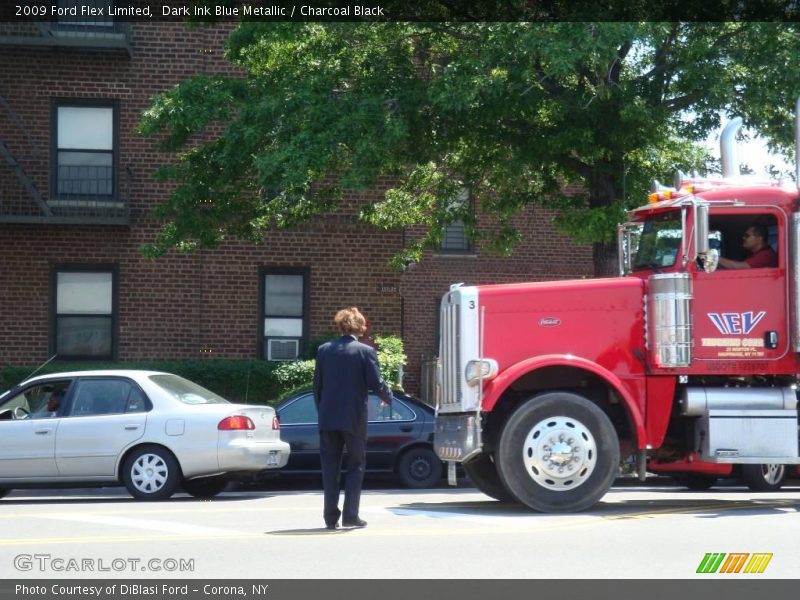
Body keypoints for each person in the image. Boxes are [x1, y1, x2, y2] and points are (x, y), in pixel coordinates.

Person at [313, 307, 392, 530]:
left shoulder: (324, 350)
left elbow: (316, 387)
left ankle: (330, 517)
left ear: (340, 325)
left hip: (328, 418)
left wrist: (323, 412)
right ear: (360, 326)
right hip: (354, 417)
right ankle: (350, 515)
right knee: (355, 465)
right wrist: (389, 397)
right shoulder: (365, 351)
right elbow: (375, 383)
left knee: (330, 468)